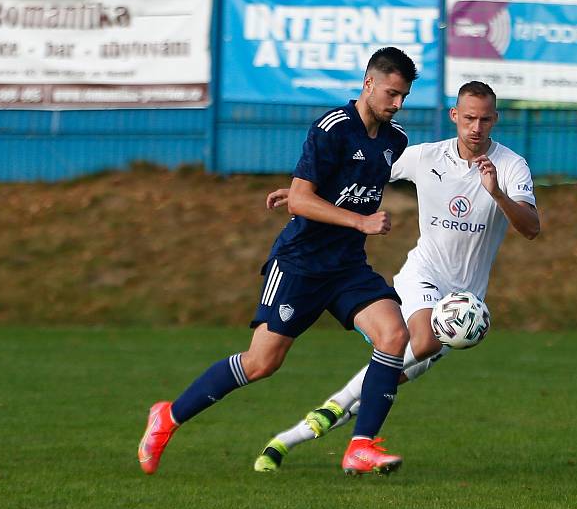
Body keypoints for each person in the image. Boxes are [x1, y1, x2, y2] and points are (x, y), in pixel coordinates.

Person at [137, 47, 419, 476]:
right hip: (300, 264)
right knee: (262, 363)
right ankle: (168, 417)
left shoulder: (394, 141)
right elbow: (307, 198)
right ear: (368, 83)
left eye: (403, 96)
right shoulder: (331, 128)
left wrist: (306, 199)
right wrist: (351, 217)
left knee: (394, 335)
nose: (397, 104)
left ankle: (361, 445)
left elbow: (327, 188)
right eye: (391, 93)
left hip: (346, 267)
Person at [254, 81, 540, 472]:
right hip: (424, 274)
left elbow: (531, 228)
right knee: (418, 342)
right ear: (455, 116)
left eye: (485, 119)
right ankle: (343, 417)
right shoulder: (426, 157)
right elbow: (361, 169)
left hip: (465, 302)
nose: (476, 127)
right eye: (469, 117)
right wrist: (301, 192)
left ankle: (298, 434)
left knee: (386, 381)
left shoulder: (510, 166)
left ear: (495, 120)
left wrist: (497, 193)